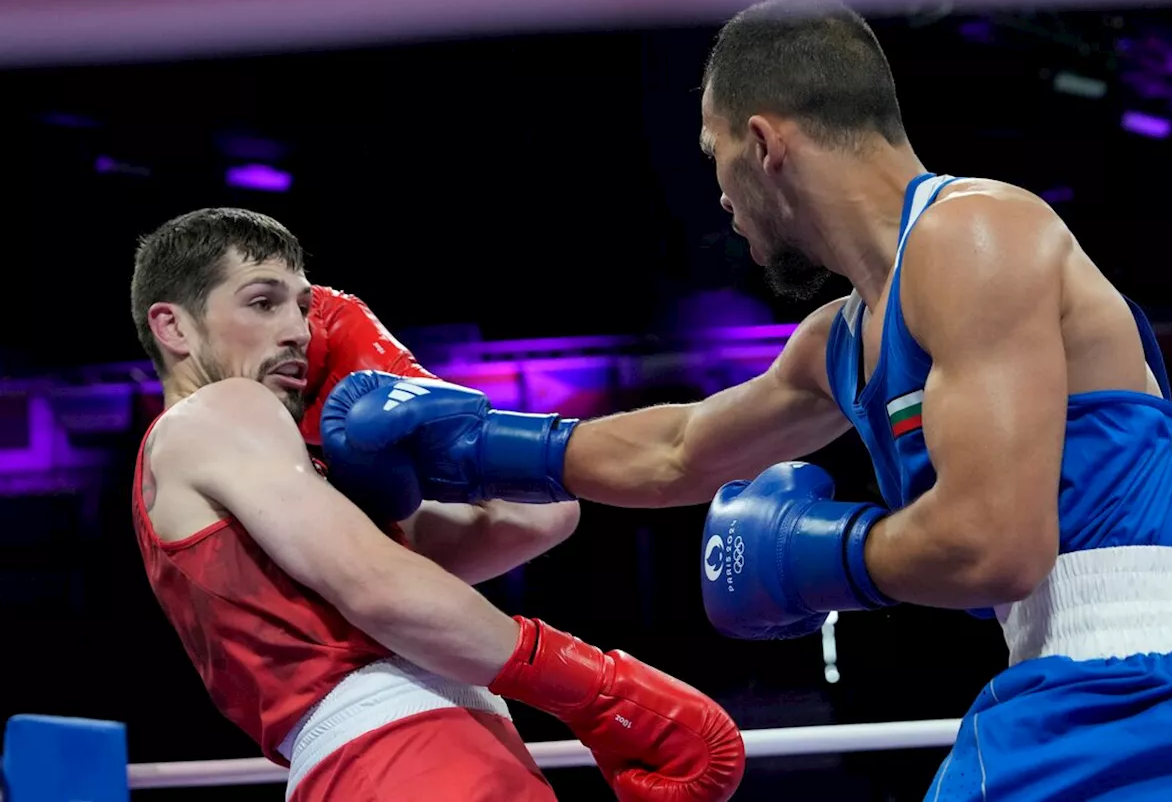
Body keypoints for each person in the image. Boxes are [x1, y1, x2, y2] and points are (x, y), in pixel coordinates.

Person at [319, 0, 1172, 800]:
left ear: (764, 141)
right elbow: (681, 450)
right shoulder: (848, 335)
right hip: (1065, 697)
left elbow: (997, 542)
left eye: (713, 159)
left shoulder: (975, 235)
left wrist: (820, 559)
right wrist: (476, 441)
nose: (722, 200)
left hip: (1145, 695)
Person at [127, 207, 746, 802]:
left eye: (304, 307)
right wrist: (600, 690)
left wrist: (400, 378)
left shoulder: (294, 487)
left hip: (414, 752)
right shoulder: (218, 411)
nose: (298, 331)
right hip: (401, 753)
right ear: (173, 326)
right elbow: (380, 586)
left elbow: (540, 515)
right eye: (263, 303)